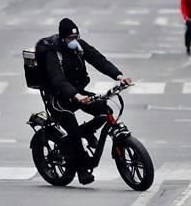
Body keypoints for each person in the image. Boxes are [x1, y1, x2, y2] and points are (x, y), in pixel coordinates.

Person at [39, 17, 132, 185]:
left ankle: (87, 132)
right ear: (62, 38)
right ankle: (82, 170)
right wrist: (76, 96)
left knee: (105, 110)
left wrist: (119, 75)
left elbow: (98, 60)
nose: (74, 41)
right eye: (70, 39)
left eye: (76, 37)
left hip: (77, 93)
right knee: (73, 130)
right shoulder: (52, 53)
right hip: (58, 98)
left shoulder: (79, 46)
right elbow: (57, 79)